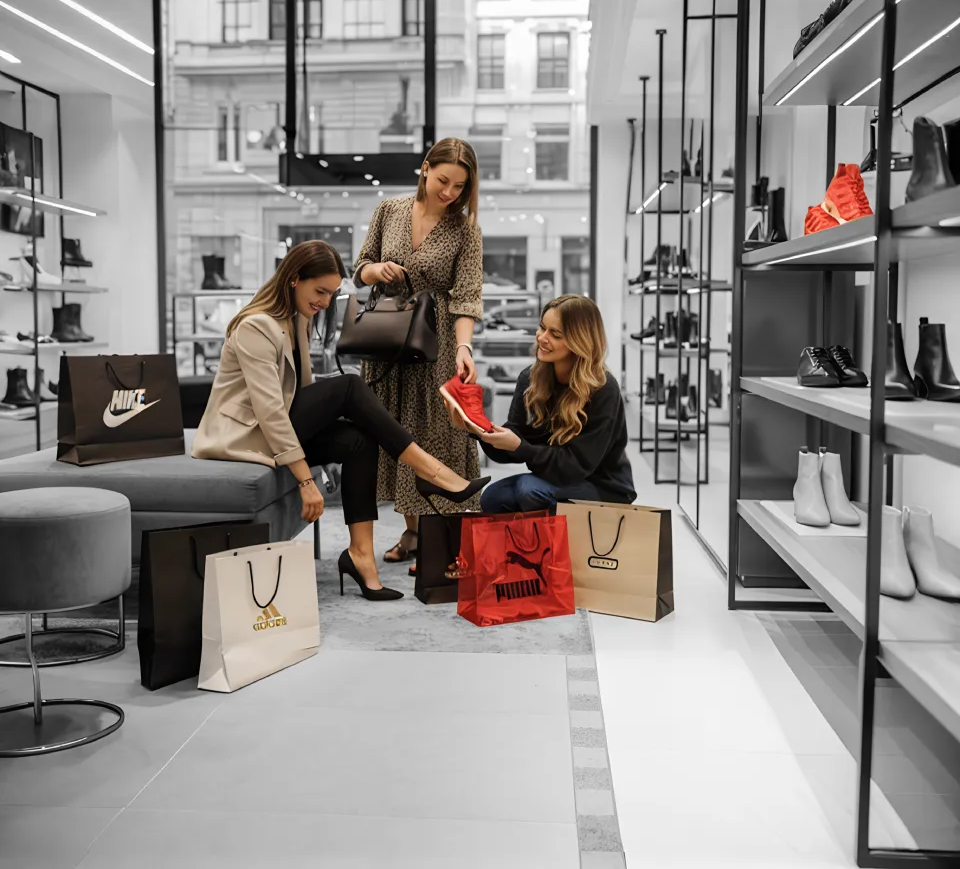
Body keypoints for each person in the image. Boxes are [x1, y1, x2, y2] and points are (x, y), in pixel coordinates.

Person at [192, 240, 488, 602]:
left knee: (357, 438)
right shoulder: (256, 326)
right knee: (350, 385)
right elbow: (270, 412)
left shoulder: (296, 318)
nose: (326, 302)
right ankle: (432, 471)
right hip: (244, 436)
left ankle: (361, 555)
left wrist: (324, 444)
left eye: (332, 294)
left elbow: (302, 392)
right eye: (320, 291)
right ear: (293, 279)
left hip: (273, 427)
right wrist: (305, 478)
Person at [354, 137, 484, 569]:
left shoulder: (466, 230)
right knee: (393, 432)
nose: (449, 193)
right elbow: (360, 268)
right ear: (425, 168)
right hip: (387, 338)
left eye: (459, 187)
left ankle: (437, 535)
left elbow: (466, 297)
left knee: (433, 433)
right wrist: (377, 270)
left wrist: (464, 347)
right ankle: (412, 532)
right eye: (443, 180)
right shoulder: (388, 211)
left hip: (437, 342)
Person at [449, 294, 636, 513]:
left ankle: (550, 545)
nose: (541, 338)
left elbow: (575, 466)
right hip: (554, 477)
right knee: (492, 497)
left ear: (580, 341)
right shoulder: (530, 379)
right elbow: (512, 441)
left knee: (529, 491)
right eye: (542, 328)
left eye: (555, 334)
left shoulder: (603, 389)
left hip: (603, 485)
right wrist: (477, 428)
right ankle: (532, 543)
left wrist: (521, 448)